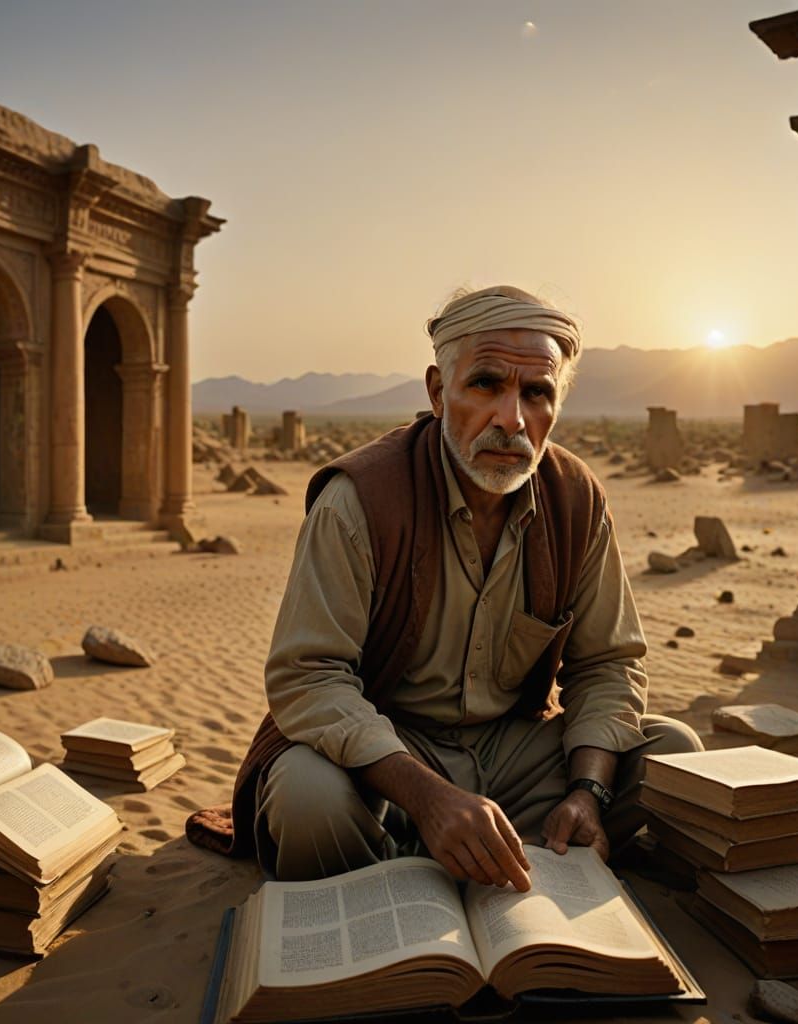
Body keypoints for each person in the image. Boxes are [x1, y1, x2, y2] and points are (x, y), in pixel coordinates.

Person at [187, 285, 703, 891]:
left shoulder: (575, 501)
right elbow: (309, 677)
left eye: (536, 393)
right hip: (389, 754)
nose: (511, 419)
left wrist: (589, 791)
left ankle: (456, 854)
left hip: (515, 755)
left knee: (673, 754)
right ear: (438, 391)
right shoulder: (359, 501)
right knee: (306, 797)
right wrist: (430, 800)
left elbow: (609, 665)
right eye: (486, 384)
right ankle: (434, 854)